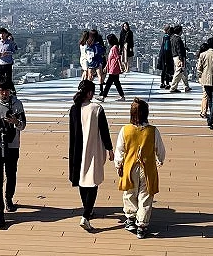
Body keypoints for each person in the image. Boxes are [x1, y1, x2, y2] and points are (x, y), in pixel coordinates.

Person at [114, 98, 166, 239]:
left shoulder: (125, 130)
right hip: (147, 169)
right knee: (146, 195)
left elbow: (120, 150)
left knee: (130, 193)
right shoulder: (153, 131)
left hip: (130, 167)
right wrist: (160, 160)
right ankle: (142, 225)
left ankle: (130, 218)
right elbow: (160, 150)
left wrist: (118, 164)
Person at [68, 79, 114, 232]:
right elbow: (104, 131)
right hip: (92, 150)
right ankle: (86, 216)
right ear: (89, 93)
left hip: (77, 151)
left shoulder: (74, 109)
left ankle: (87, 209)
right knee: (93, 182)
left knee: (82, 180)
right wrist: (110, 149)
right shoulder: (97, 108)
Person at [0, 80, 26, 229]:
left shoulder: (17, 104)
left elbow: (23, 125)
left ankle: (8, 197)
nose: (4, 93)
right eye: (2, 90)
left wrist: (15, 121)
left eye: (7, 90)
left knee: (11, 174)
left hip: (12, 145)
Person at [97, 33, 125, 102]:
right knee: (116, 83)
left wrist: (121, 67)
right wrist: (106, 67)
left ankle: (103, 96)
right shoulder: (113, 47)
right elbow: (110, 59)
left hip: (114, 68)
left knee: (109, 83)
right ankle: (122, 96)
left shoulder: (114, 48)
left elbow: (118, 58)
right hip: (112, 68)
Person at [168, 25, 191, 93]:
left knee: (183, 72)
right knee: (178, 72)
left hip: (175, 56)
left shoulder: (172, 38)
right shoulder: (178, 39)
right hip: (179, 57)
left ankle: (186, 86)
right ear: (180, 31)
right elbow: (179, 50)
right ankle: (173, 87)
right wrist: (181, 59)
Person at [196, 42, 210, 120]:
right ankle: (203, 112)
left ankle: (203, 111)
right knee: (205, 95)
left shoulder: (199, 56)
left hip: (201, 78)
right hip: (204, 77)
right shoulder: (203, 57)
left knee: (205, 95)